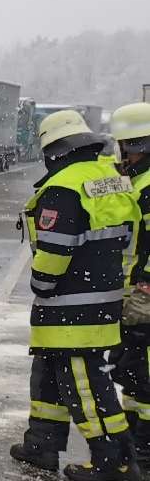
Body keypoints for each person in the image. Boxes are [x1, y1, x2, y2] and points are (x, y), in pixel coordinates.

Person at [9, 109, 142, 481]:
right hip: (101, 299)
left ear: (53, 150)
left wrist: (42, 285)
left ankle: (112, 459)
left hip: (70, 308)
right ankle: (41, 445)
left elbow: (56, 248)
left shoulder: (63, 187)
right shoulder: (109, 177)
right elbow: (128, 238)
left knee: (83, 383)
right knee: (52, 375)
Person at [107, 102, 150, 461]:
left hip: (144, 293)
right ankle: (137, 434)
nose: (125, 155)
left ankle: (146, 442)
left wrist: (146, 287)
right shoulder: (134, 180)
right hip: (133, 291)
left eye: (130, 147)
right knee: (134, 364)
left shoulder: (148, 185)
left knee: (145, 366)